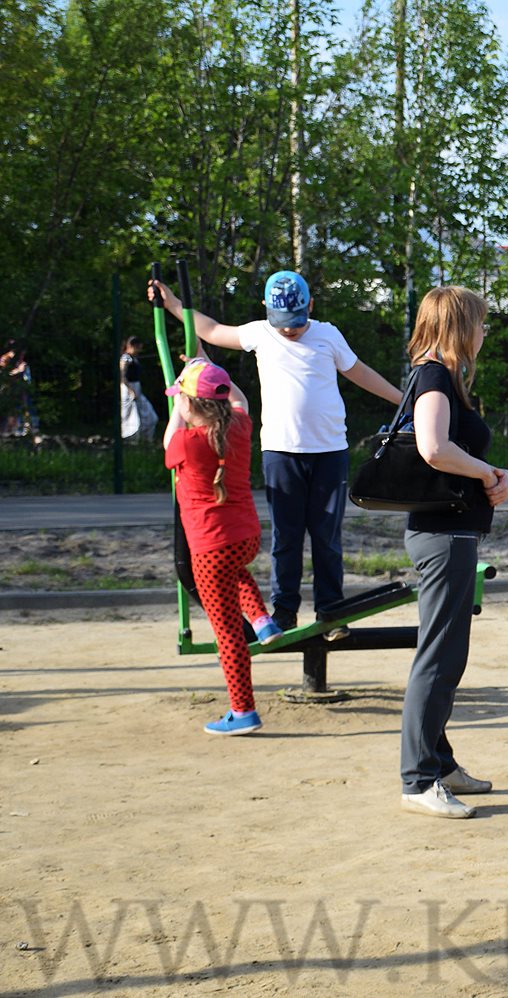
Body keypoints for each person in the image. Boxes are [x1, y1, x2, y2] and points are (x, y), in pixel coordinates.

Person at [148, 273, 403, 633]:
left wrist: (403, 400)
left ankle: (331, 610)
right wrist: (174, 304)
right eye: (281, 322)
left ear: (310, 306)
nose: (287, 330)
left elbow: (360, 373)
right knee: (286, 536)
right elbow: (213, 330)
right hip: (281, 453)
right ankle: (284, 611)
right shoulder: (261, 333)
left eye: (295, 322)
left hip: (330, 451)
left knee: (326, 537)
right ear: (266, 309)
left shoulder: (327, 335)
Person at [398, 286, 508, 819]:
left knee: (447, 655)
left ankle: (440, 765)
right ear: (460, 325)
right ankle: (419, 780)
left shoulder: (443, 376)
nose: (484, 332)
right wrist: (489, 472)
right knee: (439, 658)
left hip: (452, 534)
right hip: (442, 536)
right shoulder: (434, 376)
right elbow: (434, 448)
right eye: (480, 322)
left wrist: (497, 475)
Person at [163, 358, 281, 735]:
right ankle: (262, 620)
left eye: (181, 398)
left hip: (209, 547)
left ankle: (243, 711)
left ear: (188, 404)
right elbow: (240, 401)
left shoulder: (185, 442)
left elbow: (167, 443)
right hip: (246, 538)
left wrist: (178, 407)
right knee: (236, 572)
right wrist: (213, 369)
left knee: (227, 632)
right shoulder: (240, 427)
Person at [119, 337, 160, 443]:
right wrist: (130, 390)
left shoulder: (134, 358)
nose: (138, 351)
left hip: (137, 390)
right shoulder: (125, 358)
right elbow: (122, 376)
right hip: (128, 391)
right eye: (137, 348)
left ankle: (146, 439)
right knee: (131, 417)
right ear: (131, 346)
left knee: (150, 416)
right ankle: (129, 440)